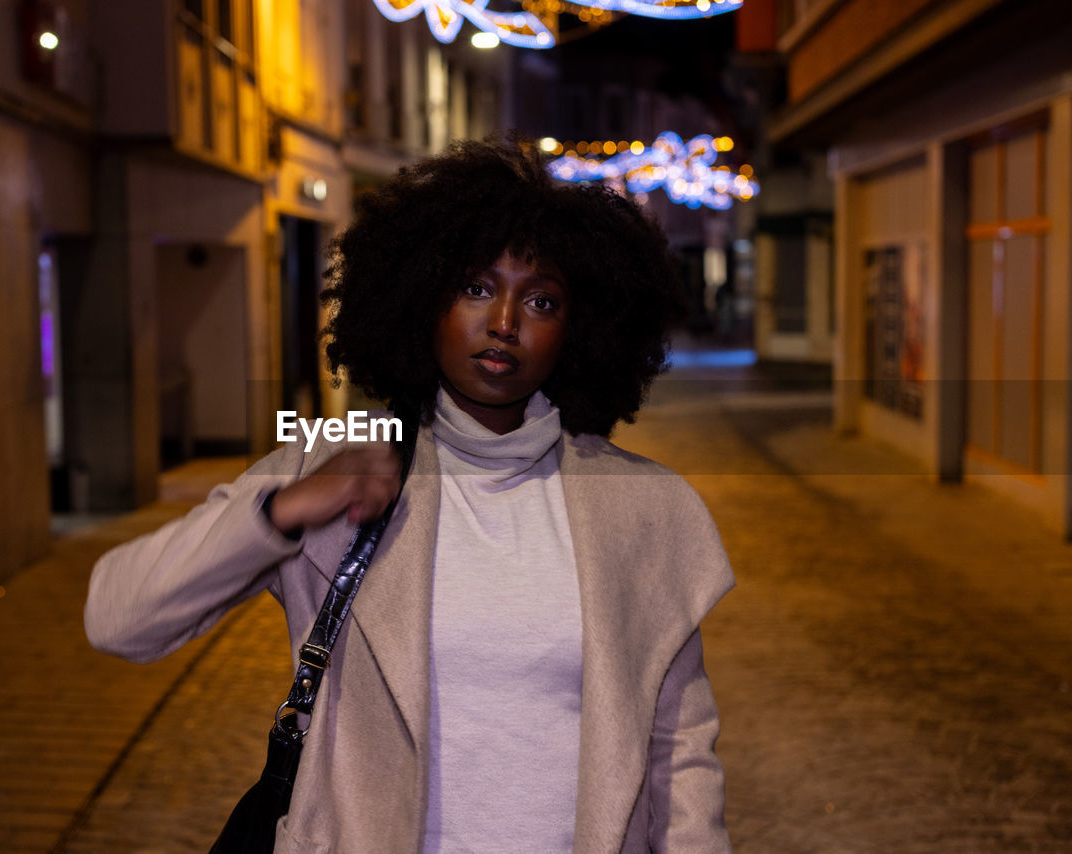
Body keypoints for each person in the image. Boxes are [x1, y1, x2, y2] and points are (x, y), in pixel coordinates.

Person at [85, 137, 734, 853]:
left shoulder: (644, 509)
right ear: (423, 298)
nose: (505, 323)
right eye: (476, 287)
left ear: (579, 328)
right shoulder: (335, 474)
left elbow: (680, 752)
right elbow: (119, 618)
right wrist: (277, 513)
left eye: (540, 299)